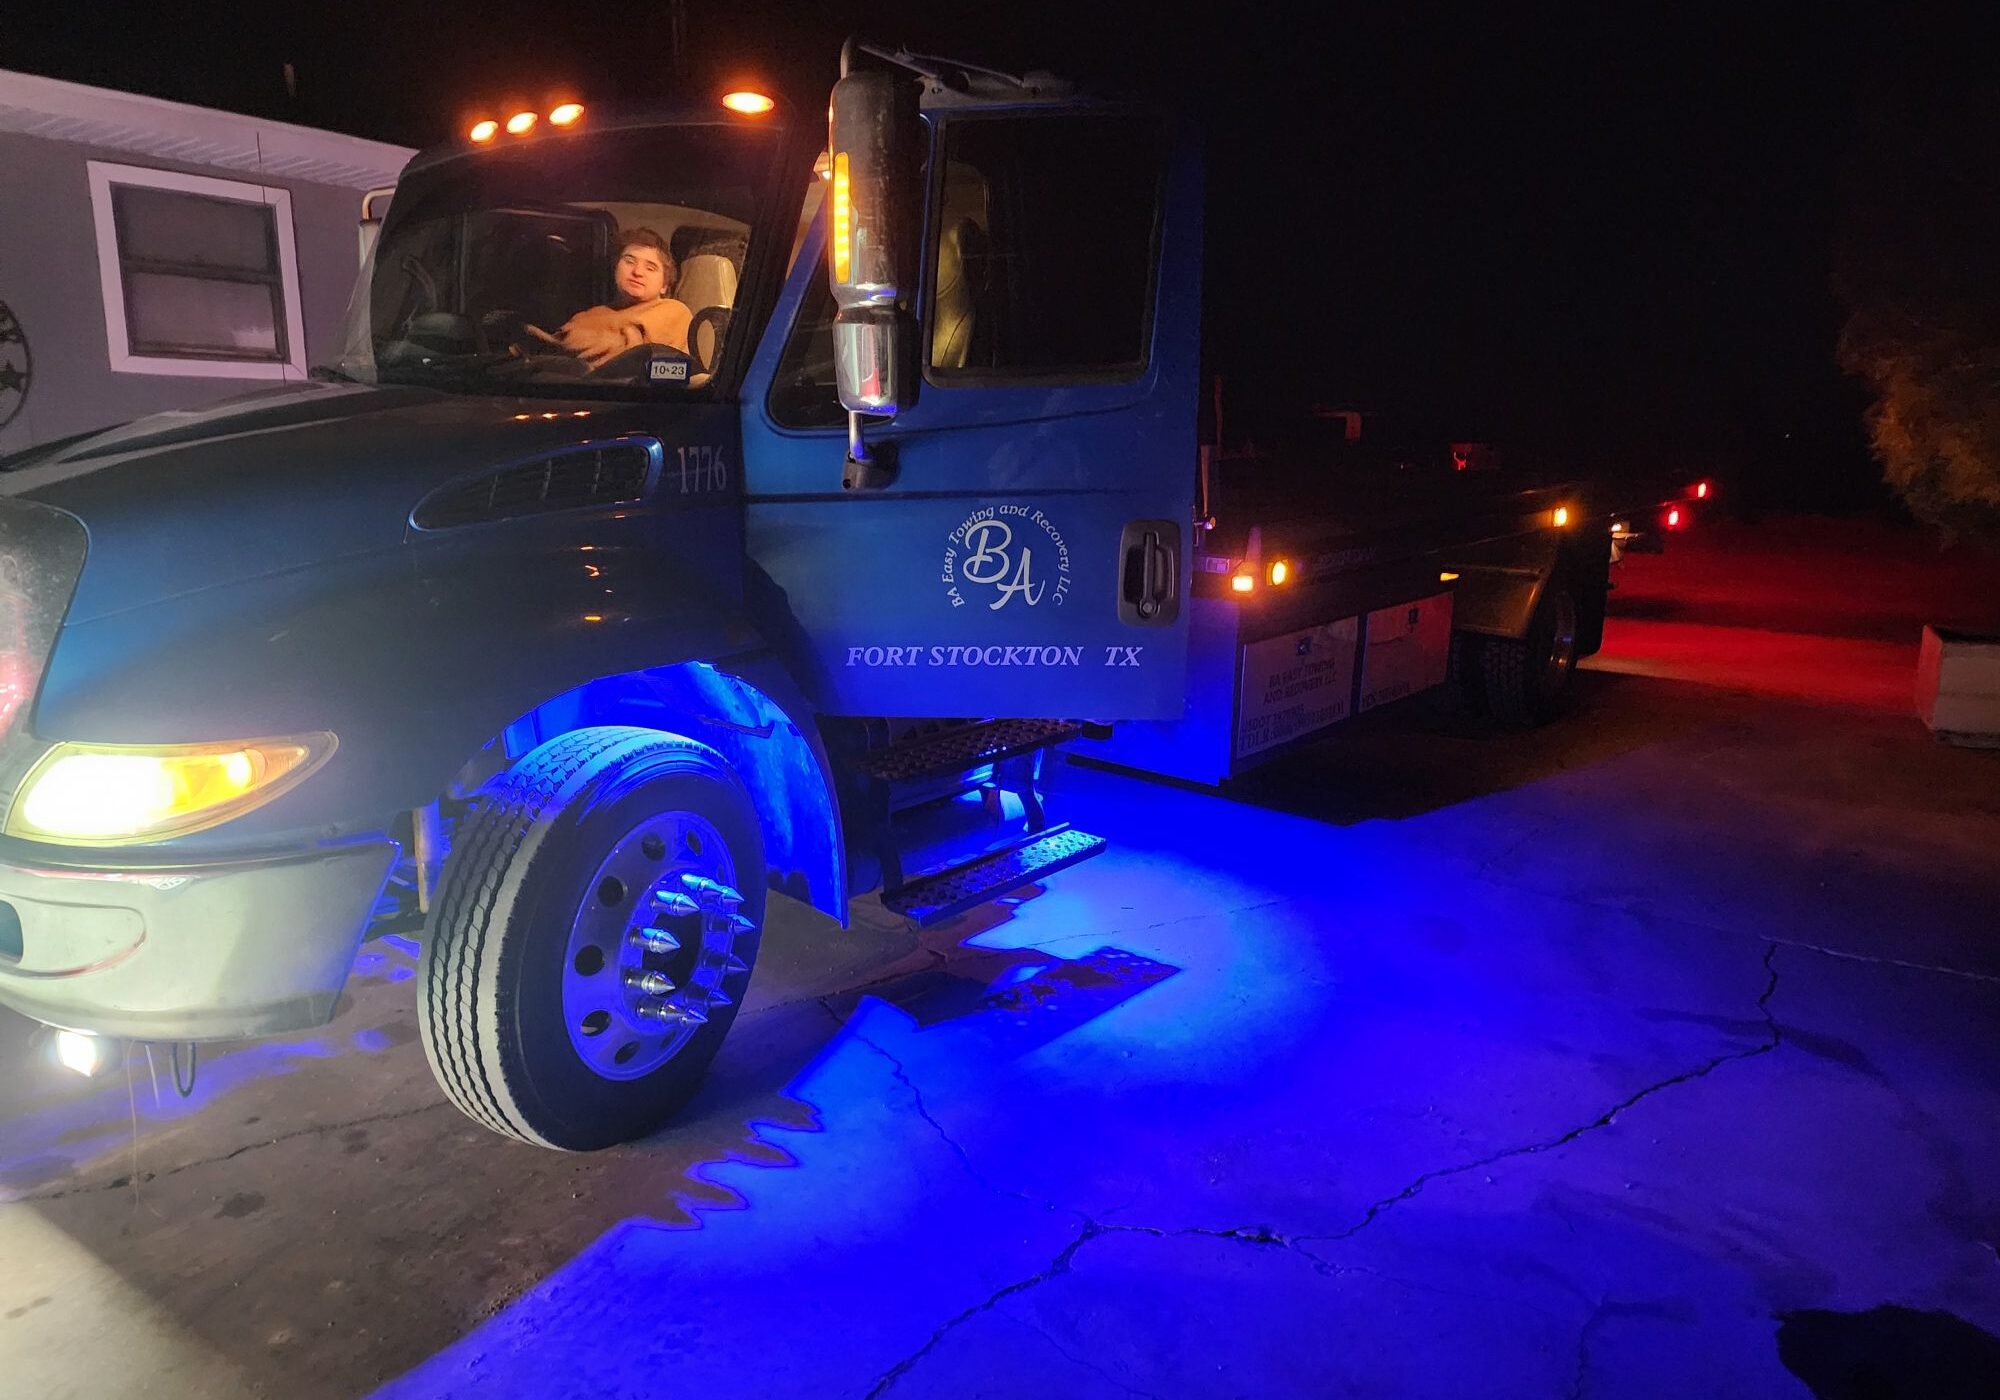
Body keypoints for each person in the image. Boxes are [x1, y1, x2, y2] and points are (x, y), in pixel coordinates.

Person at [528, 228, 692, 369]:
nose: (637, 272)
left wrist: (569, 344)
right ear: (615, 267)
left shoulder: (673, 311)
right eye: (629, 261)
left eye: (650, 268)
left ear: (664, 285)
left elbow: (634, 359)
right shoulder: (590, 314)